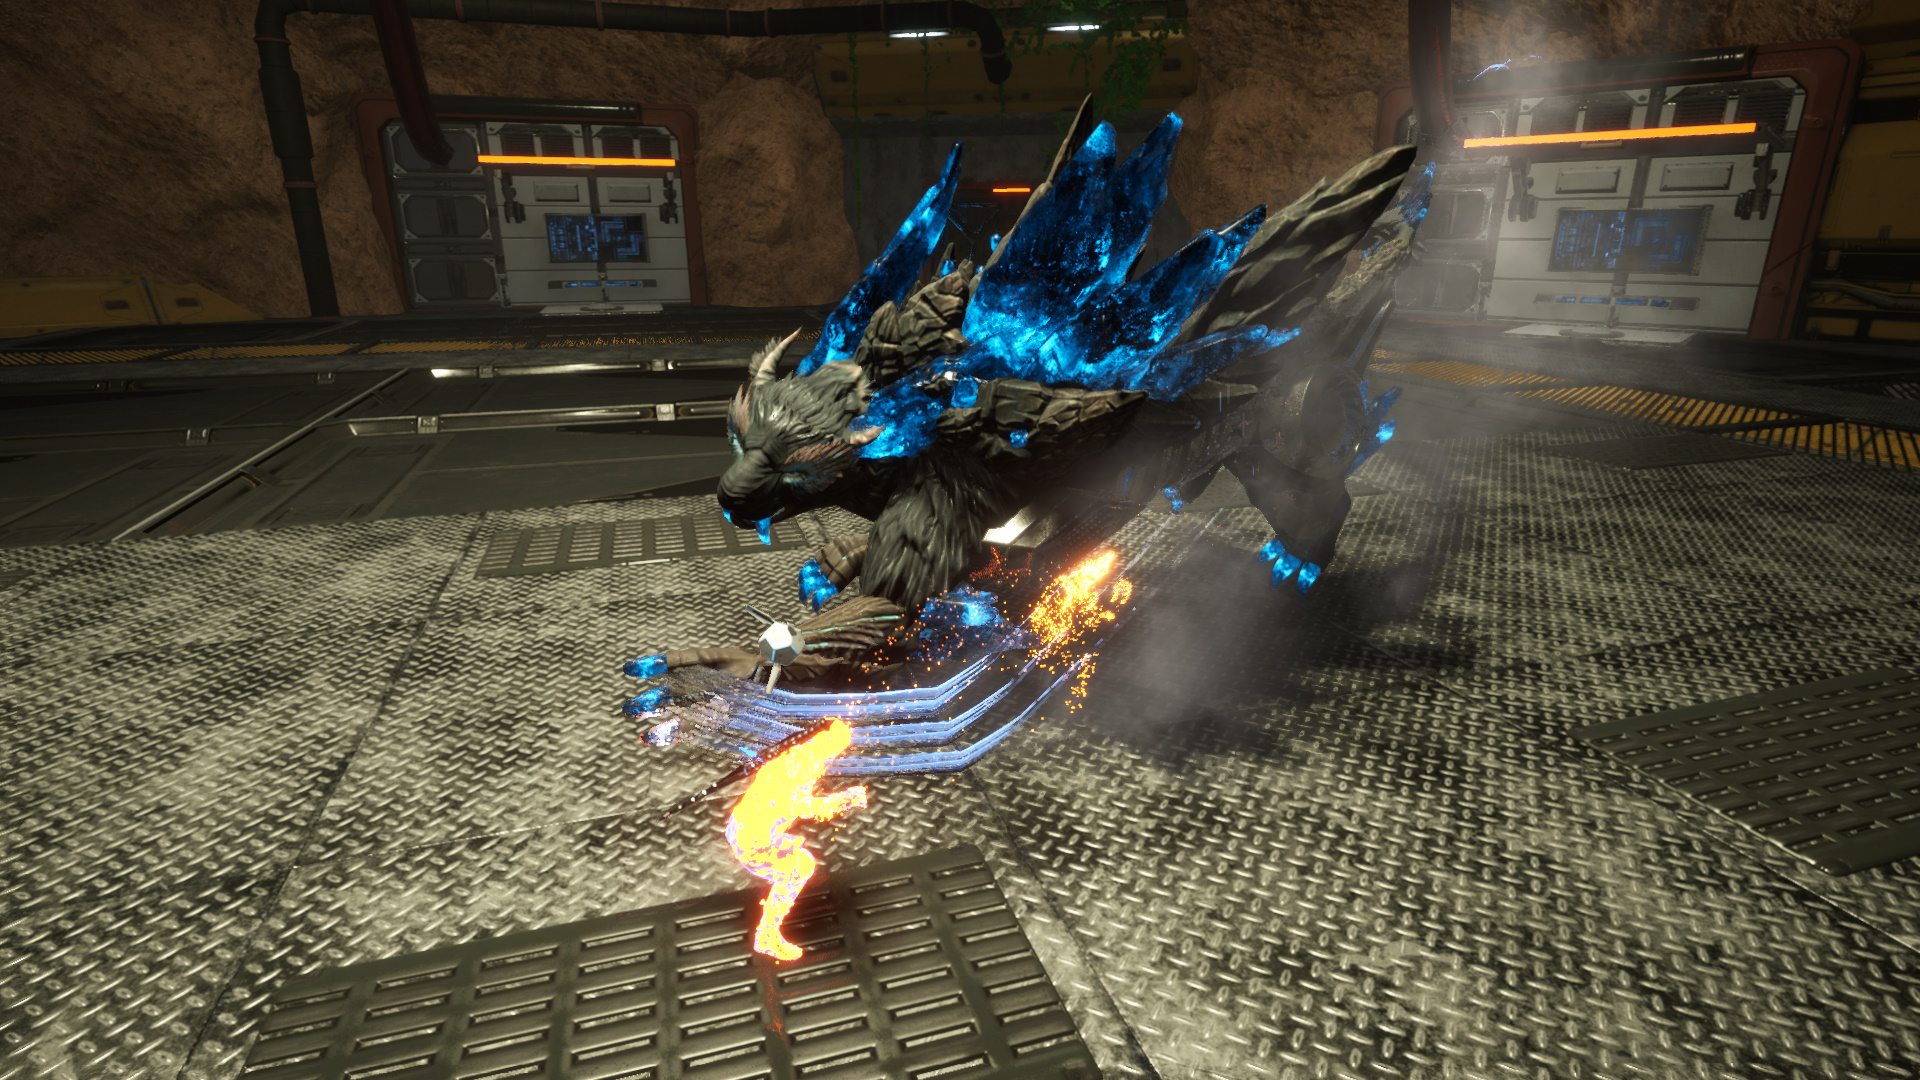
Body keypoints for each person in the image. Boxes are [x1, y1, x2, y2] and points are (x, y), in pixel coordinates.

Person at [725, 719, 868, 961]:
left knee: (799, 864)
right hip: (752, 842)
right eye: (832, 748)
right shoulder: (796, 771)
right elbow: (806, 806)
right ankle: (767, 934)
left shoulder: (791, 758)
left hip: (744, 827)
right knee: (800, 867)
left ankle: (768, 930)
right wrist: (847, 799)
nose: (832, 756)